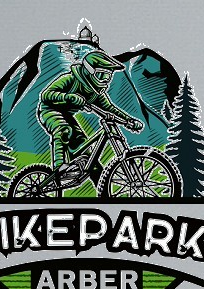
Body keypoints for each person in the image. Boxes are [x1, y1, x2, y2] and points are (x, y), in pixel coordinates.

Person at [35, 27, 138, 188]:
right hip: (50, 110)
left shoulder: (95, 92)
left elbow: (109, 108)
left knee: (90, 157)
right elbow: (46, 95)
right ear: (89, 71)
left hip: (67, 115)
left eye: (108, 77)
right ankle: (60, 167)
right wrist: (70, 97)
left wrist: (128, 120)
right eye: (101, 75)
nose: (105, 81)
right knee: (63, 130)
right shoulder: (70, 79)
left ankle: (102, 191)